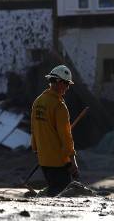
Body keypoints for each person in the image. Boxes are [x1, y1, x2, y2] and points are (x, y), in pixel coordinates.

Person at [31, 64, 79, 196]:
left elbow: (34, 129)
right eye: (66, 84)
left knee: (53, 192)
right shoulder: (59, 106)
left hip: (44, 160)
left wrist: (36, 149)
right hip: (58, 161)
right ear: (58, 82)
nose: (67, 88)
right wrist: (73, 162)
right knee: (60, 195)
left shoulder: (38, 101)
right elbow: (66, 136)